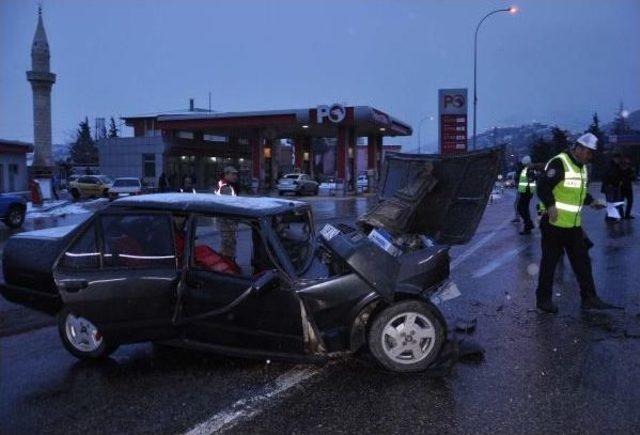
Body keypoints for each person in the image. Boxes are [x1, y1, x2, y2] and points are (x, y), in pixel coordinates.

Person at [535, 133, 618, 313]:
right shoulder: (560, 163)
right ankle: (543, 300)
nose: (590, 157)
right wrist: (550, 205)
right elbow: (543, 186)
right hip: (553, 224)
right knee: (549, 264)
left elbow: (578, 193)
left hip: (573, 226)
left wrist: (592, 201)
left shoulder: (582, 168)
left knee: (582, 263)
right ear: (579, 149)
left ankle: (589, 298)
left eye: (592, 155)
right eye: (589, 153)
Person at [215, 166, 240, 259]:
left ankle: (228, 262)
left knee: (229, 243)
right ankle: (226, 263)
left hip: (227, 220)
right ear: (226, 174)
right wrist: (232, 223)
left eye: (236, 174)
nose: (235, 176)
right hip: (226, 221)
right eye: (233, 174)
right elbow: (228, 207)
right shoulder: (225, 187)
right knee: (228, 243)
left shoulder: (229, 186)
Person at [602, 152, 624, 221]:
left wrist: (620, 181)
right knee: (611, 202)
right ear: (614, 158)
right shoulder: (610, 166)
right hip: (610, 187)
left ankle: (611, 217)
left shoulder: (617, 166)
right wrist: (608, 184)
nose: (618, 160)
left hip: (616, 186)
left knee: (614, 202)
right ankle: (609, 217)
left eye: (619, 159)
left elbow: (619, 175)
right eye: (617, 159)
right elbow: (605, 176)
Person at [517, 156, 536, 235]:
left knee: (521, 209)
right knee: (524, 209)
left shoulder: (529, 169)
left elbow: (531, 180)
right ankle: (528, 226)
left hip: (526, 192)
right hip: (525, 192)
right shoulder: (527, 169)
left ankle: (528, 225)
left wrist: (530, 190)